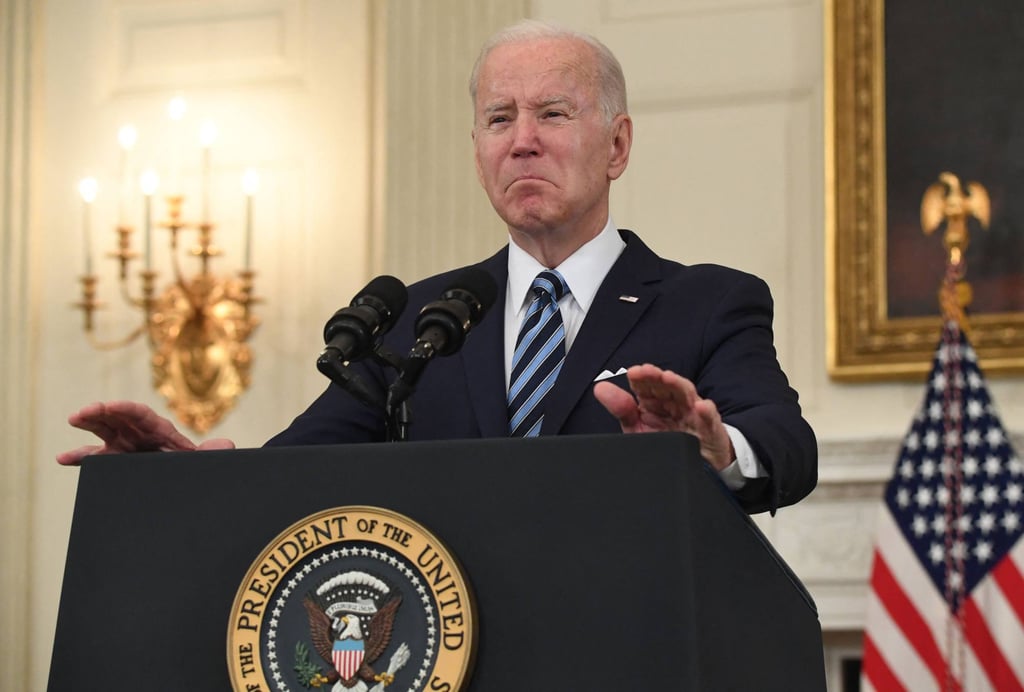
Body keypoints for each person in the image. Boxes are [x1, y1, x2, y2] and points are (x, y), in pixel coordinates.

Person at [58, 20, 817, 515]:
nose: (521, 140)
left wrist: (713, 448)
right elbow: (296, 469)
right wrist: (183, 471)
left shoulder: (707, 302)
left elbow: (786, 446)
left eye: (553, 113)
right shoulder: (421, 321)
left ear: (616, 145)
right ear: (478, 151)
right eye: (498, 118)